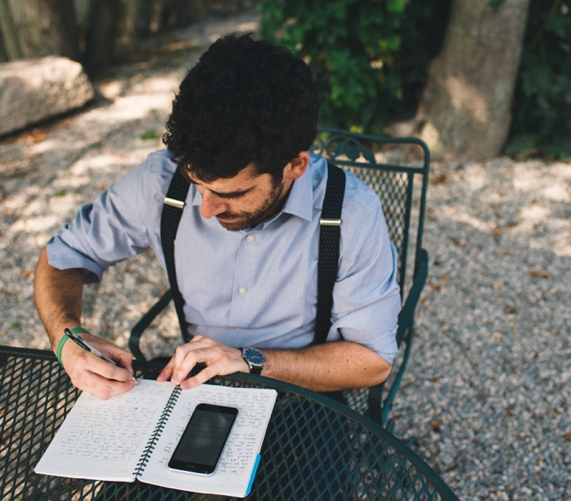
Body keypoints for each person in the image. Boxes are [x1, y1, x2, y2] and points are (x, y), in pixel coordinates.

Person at [33, 33, 401, 401]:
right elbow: (62, 256)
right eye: (196, 185)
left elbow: (371, 361)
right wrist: (67, 336)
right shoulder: (158, 182)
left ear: (294, 165)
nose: (206, 209)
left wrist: (246, 360)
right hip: (194, 385)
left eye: (232, 193)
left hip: (305, 391)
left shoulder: (351, 212)